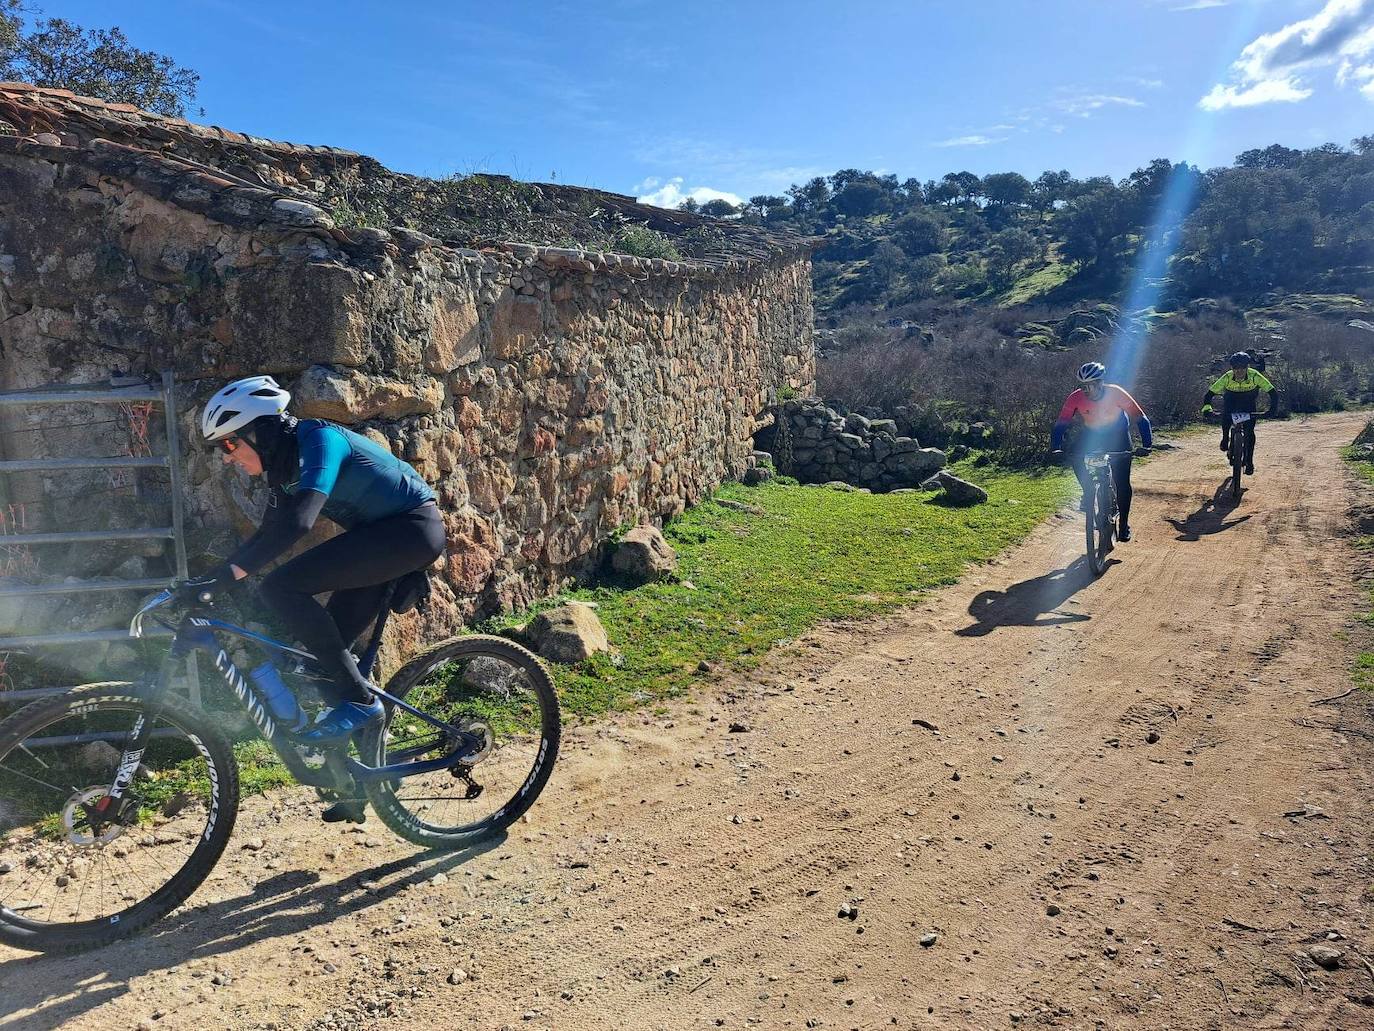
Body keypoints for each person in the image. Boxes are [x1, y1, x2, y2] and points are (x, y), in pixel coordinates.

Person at [189, 376, 446, 742]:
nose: (228, 456)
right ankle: (368, 778)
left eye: (230, 442)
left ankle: (360, 702)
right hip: (377, 539)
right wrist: (212, 578)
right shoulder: (282, 468)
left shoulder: (320, 441)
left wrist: (229, 576)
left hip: (411, 530)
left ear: (260, 431)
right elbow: (267, 534)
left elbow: (299, 521)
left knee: (279, 587)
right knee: (326, 665)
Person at [1051, 361, 1153, 542]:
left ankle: (1123, 525)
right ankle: (1088, 492)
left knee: (1122, 482)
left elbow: (1140, 417)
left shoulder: (1116, 392)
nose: (1088, 389)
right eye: (1083, 386)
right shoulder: (1075, 397)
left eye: (1091, 384)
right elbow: (1061, 423)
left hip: (1118, 435)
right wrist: (1055, 447)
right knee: (1076, 456)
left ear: (1100, 382)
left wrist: (1147, 444)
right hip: (1092, 434)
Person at [1201, 352, 1279, 475]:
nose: (1239, 371)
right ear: (1232, 368)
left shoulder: (1254, 376)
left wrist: (1272, 410)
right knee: (1226, 417)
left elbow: (1272, 392)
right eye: (1236, 368)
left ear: (1247, 367)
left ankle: (1249, 460)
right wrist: (1207, 408)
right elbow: (1209, 394)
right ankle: (1225, 438)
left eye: (1242, 368)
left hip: (1248, 405)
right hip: (1231, 403)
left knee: (1249, 432)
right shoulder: (1227, 377)